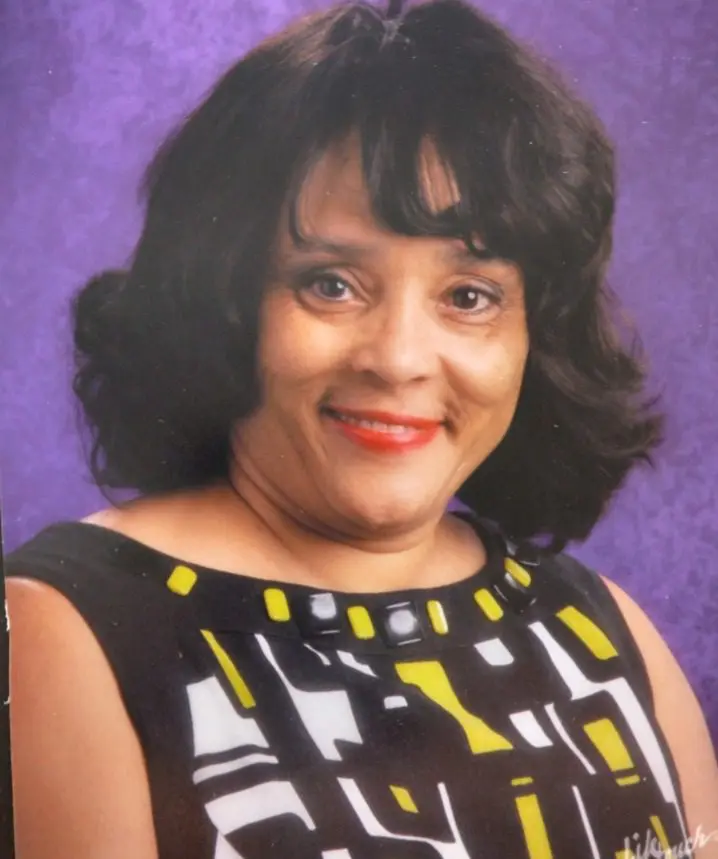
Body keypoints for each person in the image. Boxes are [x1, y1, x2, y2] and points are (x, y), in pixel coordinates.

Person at [6, 1, 718, 857]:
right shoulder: (63, 630)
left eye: (469, 296)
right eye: (332, 284)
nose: (400, 359)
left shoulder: (603, 630)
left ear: (537, 336)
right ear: (226, 302)